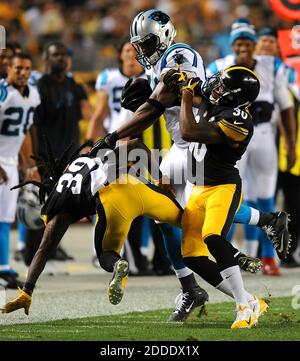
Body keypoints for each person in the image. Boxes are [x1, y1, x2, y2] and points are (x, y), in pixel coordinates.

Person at [91, 9, 291, 319]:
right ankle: (196, 284)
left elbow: (157, 104)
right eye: (138, 45)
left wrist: (115, 133)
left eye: (145, 43)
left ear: (165, 36)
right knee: (168, 216)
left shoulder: (178, 54)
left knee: (185, 216)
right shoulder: (159, 63)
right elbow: (157, 100)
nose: (141, 51)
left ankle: (216, 278)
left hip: (195, 144)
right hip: (180, 148)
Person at [163, 65, 267, 329]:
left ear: (234, 96)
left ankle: (244, 308)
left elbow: (188, 131)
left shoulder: (240, 119)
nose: (215, 87)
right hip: (198, 187)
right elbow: (189, 85)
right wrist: (178, 80)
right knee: (191, 255)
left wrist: (186, 94)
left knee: (212, 236)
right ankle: (248, 299)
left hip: (223, 187)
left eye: (223, 86)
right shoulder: (216, 100)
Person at [207, 18, 296, 275]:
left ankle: (267, 258)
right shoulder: (219, 66)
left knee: (266, 194)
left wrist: (290, 143)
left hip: (264, 134)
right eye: (239, 43)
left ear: (254, 44)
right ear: (233, 45)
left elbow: (286, 107)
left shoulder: (272, 67)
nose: (243, 48)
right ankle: (238, 251)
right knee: (230, 194)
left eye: (247, 43)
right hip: (230, 137)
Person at [23, 42, 91, 267]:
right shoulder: (39, 87)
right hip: (46, 157)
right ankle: (32, 255)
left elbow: (83, 115)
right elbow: (32, 125)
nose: (60, 58)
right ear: (46, 58)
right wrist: (33, 160)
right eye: (55, 55)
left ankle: (51, 251)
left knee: (61, 206)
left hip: (69, 156)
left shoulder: (73, 85)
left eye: (63, 54)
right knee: (42, 206)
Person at [255, 27, 300, 268]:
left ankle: (277, 254)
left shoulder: (285, 72)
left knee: (280, 202)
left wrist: (291, 143)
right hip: (257, 143)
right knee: (256, 200)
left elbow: (288, 109)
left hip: (279, 145)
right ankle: (260, 254)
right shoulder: (246, 67)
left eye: (271, 41)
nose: (266, 45)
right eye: (262, 40)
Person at [0, 53, 40, 288]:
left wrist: (29, 164)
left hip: (11, 162)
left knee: (5, 217)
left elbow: (23, 131)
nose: (23, 73)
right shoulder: (3, 92)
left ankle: (3, 266)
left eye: (27, 68)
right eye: (18, 68)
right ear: (8, 69)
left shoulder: (32, 95)